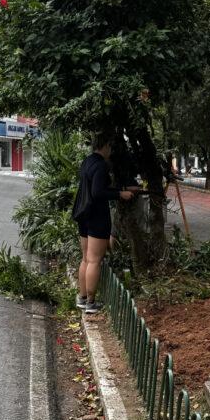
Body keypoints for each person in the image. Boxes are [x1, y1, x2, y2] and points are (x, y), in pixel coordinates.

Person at [72, 133, 138, 313]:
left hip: (83, 213)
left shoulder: (87, 161)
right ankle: (91, 303)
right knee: (94, 260)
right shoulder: (101, 166)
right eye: (110, 146)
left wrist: (121, 189)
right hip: (97, 216)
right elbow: (98, 192)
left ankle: (82, 297)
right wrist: (120, 194)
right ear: (105, 145)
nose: (111, 150)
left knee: (86, 258)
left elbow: (95, 187)